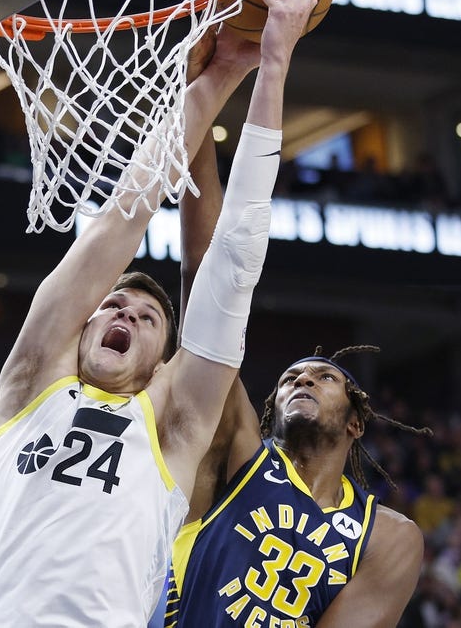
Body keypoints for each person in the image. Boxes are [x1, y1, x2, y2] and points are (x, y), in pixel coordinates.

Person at [0, 0, 318, 626]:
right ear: (81, 328)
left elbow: (234, 257)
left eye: (151, 317)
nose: (123, 308)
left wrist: (270, 65)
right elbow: (120, 219)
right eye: (114, 303)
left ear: (160, 363)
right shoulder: (26, 389)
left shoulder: (175, 429)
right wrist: (213, 81)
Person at [158, 89, 428, 627]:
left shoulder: (388, 536)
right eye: (288, 379)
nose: (302, 378)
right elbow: (206, 277)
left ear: (356, 422)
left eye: (324, 377)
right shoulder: (237, 457)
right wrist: (201, 96)